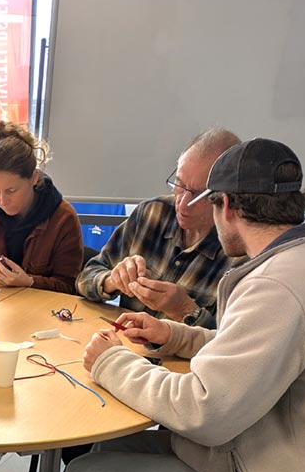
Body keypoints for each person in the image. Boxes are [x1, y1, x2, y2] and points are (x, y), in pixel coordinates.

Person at [69, 138, 305, 472]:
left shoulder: (278, 284)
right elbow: (251, 353)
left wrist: (111, 362)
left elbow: (202, 413)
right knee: (114, 445)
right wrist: (174, 335)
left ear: (224, 205)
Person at [77, 128, 241, 328]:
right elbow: (85, 278)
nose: (183, 204)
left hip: (175, 350)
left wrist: (185, 309)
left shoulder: (239, 253)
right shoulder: (152, 213)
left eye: (198, 196)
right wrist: (111, 281)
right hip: (122, 341)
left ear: (225, 197)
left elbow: (232, 340)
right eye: (179, 185)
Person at [0, 121, 82, 293]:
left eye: (11, 191)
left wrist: (30, 282)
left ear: (34, 178)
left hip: (41, 308)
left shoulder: (63, 219)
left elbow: (70, 287)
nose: (2, 201)